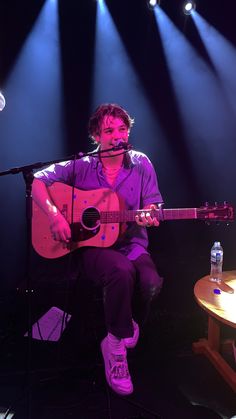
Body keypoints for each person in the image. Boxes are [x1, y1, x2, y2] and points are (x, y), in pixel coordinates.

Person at [32, 103, 164, 396]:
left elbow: (154, 203)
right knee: (120, 271)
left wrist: (150, 214)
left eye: (122, 129)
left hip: (132, 244)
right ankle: (115, 348)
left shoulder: (141, 163)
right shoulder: (81, 165)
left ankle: (124, 325)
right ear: (97, 136)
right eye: (109, 130)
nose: (117, 136)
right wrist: (54, 215)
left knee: (151, 283)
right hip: (92, 249)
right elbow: (39, 180)